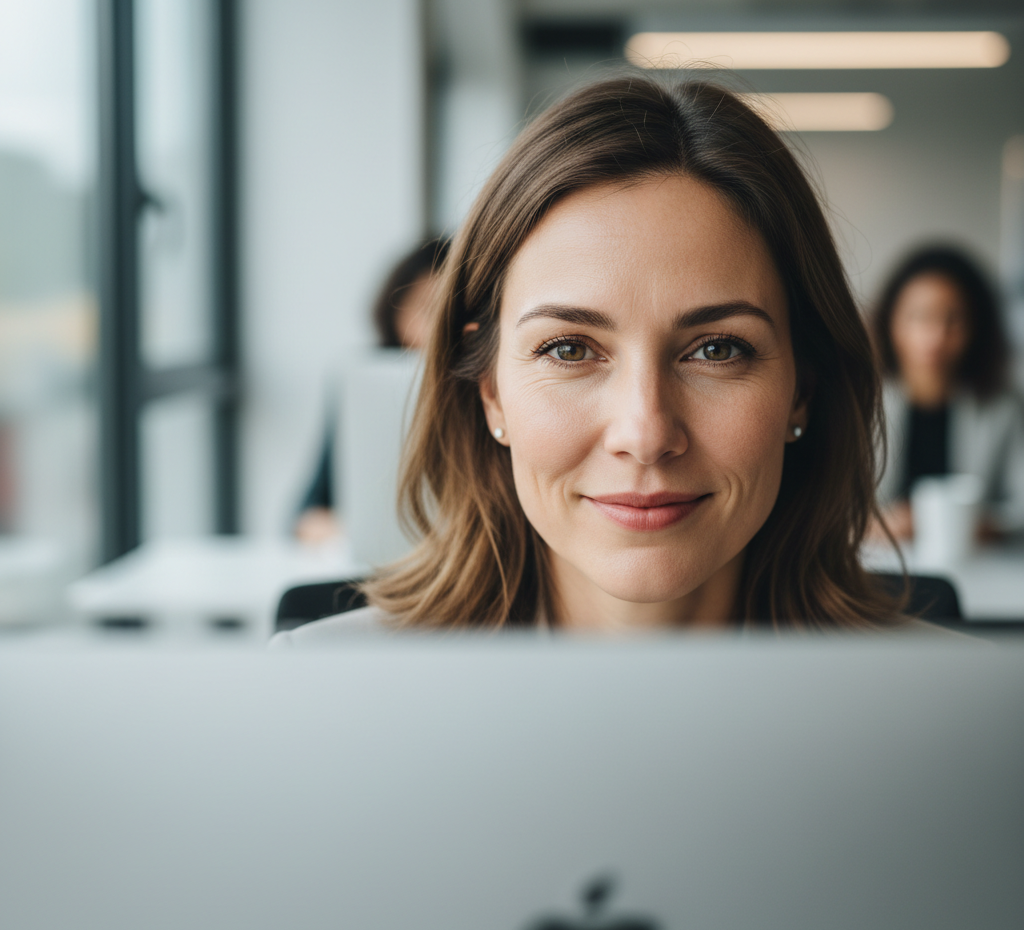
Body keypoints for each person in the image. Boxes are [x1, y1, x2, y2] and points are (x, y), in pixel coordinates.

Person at [274, 75, 906, 640]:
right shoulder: (320, 694)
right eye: (569, 349)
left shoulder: (977, 729)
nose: (645, 433)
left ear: (802, 388)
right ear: (490, 389)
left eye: (717, 349)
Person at [294, 237, 450, 544]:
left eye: (453, 312)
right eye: (429, 310)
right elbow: (310, 512)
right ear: (396, 313)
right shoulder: (363, 384)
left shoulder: (493, 385)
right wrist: (347, 533)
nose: (440, 329)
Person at [871, 245, 1024, 542]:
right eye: (919, 316)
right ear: (891, 322)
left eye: (953, 319)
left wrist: (980, 525)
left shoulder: (1003, 408)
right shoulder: (859, 402)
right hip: (879, 562)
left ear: (976, 328)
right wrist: (875, 524)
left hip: (977, 567)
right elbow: (831, 506)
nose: (936, 336)